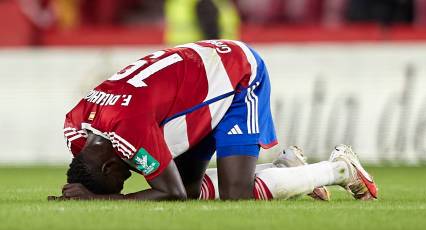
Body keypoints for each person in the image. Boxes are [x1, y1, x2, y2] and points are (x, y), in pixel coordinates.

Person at [52, 39, 378, 201]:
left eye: (121, 178)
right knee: (191, 188)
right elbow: (179, 189)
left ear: (110, 166)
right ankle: (286, 169)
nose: (129, 175)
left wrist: (105, 199)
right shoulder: (76, 126)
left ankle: (338, 168)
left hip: (237, 75)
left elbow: (171, 192)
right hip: (192, 91)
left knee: (235, 192)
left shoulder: (128, 127)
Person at [165, 0, 240, 45]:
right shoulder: (207, 3)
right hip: (216, 48)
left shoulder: (176, 3)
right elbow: (210, 30)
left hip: (177, 47)